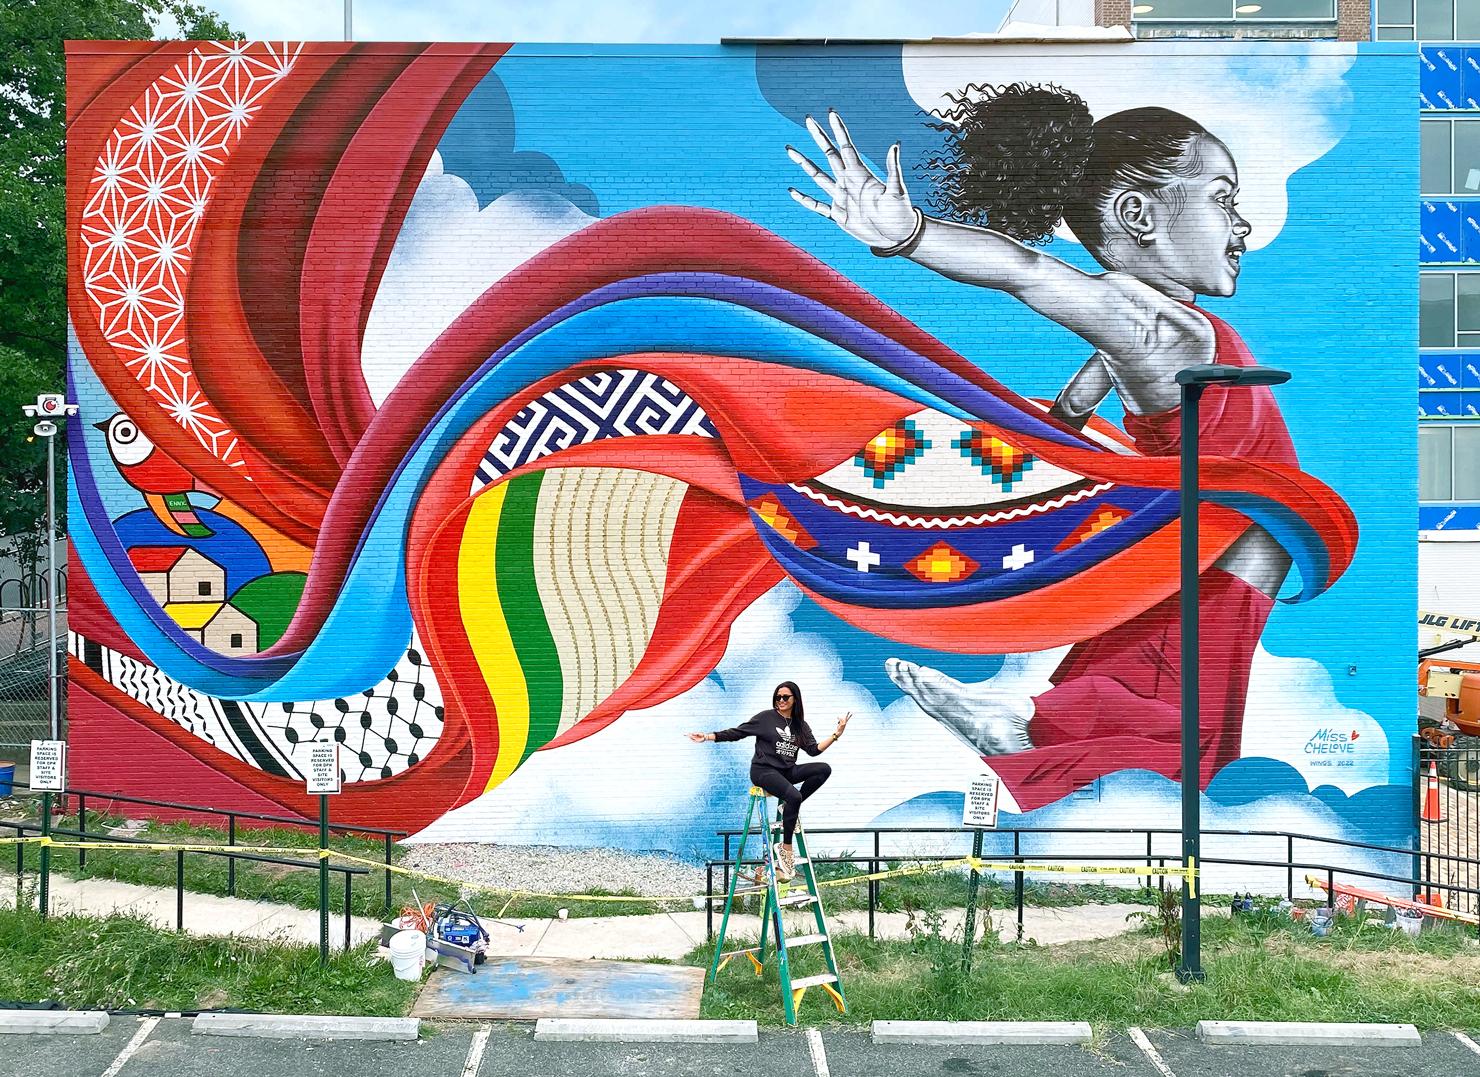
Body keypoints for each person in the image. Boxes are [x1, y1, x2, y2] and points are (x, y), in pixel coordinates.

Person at [786, 85, 1298, 809]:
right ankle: (1023, 722)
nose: (1241, 224)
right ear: (1139, 215)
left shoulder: (1150, 326)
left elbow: (1081, 398)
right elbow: (1025, 271)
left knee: (1173, 727)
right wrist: (911, 236)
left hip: (1205, 558)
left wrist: (1060, 433)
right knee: (1193, 737)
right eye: (1222, 197)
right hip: (1219, 557)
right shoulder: (1153, 326)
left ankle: (1026, 727)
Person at [689, 681, 851, 879]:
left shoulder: (800, 726)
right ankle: (786, 849)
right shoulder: (766, 718)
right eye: (778, 697)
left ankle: (788, 808)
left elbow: (813, 751)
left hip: (786, 771)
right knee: (793, 797)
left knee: (823, 769)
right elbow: (738, 733)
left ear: (795, 700)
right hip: (763, 771)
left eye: (785, 697)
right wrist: (707, 736)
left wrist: (837, 734)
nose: (780, 700)